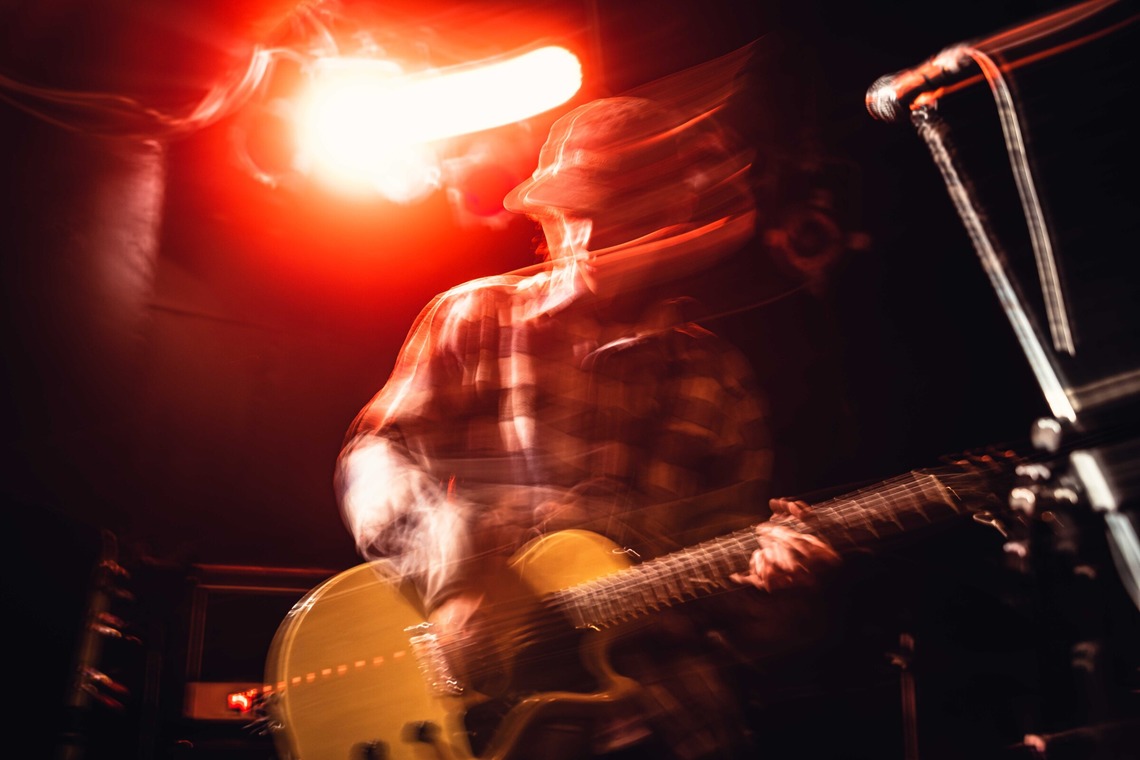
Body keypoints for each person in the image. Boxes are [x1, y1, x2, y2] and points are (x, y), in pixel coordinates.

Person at [335, 95, 840, 759]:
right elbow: (375, 458)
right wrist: (454, 579)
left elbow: (737, 598)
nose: (594, 234)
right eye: (579, 209)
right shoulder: (478, 317)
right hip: (484, 721)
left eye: (625, 212)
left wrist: (775, 591)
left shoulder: (719, 377)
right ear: (551, 215)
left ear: (669, 220)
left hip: (665, 718)